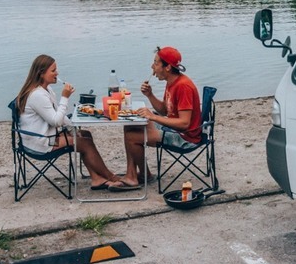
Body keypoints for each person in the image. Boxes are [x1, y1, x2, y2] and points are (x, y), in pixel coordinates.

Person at [16, 54, 120, 190]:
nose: (57, 73)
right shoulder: (37, 95)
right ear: (41, 73)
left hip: (44, 135)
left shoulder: (46, 90)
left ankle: (97, 179)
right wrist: (65, 98)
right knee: (85, 143)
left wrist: (73, 130)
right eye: (53, 70)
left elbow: (58, 115)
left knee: (85, 134)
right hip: (40, 142)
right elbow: (56, 121)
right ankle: (111, 177)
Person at [109, 46, 201, 191]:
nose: (152, 66)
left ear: (168, 67)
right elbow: (165, 110)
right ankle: (132, 175)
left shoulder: (183, 86)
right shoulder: (172, 83)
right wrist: (150, 95)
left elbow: (184, 123)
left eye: (156, 63)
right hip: (174, 129)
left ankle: (141, 176)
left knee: (133, 137)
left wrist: (152, 117)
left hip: (185, 137)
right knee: (130, 126)